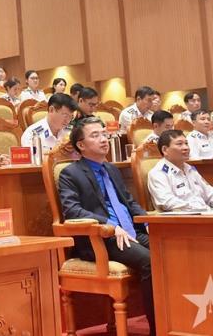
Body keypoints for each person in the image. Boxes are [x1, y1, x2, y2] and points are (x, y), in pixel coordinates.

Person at [58, 117, 154, 335]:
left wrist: (148, 222)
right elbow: (73, 211)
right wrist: (109, 225)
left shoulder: (111, 169)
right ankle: (157, 328)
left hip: (130, 232)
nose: (104, 139)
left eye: (104, 134)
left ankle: (175, 321)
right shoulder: (70, 173)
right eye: (95, 135)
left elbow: (129, 202)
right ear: (81, 145)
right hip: (103, 239)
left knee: (170, 251)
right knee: (150, 261)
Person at [148, 130, 213, 212]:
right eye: (179, 144)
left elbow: (210, 194)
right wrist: (203, 209)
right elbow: (167, 202)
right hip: (185, 217)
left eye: (186, 143)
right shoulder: (158, 173)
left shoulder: (190, 169)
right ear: (165, 150)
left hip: (206, 214)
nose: (186, 148)